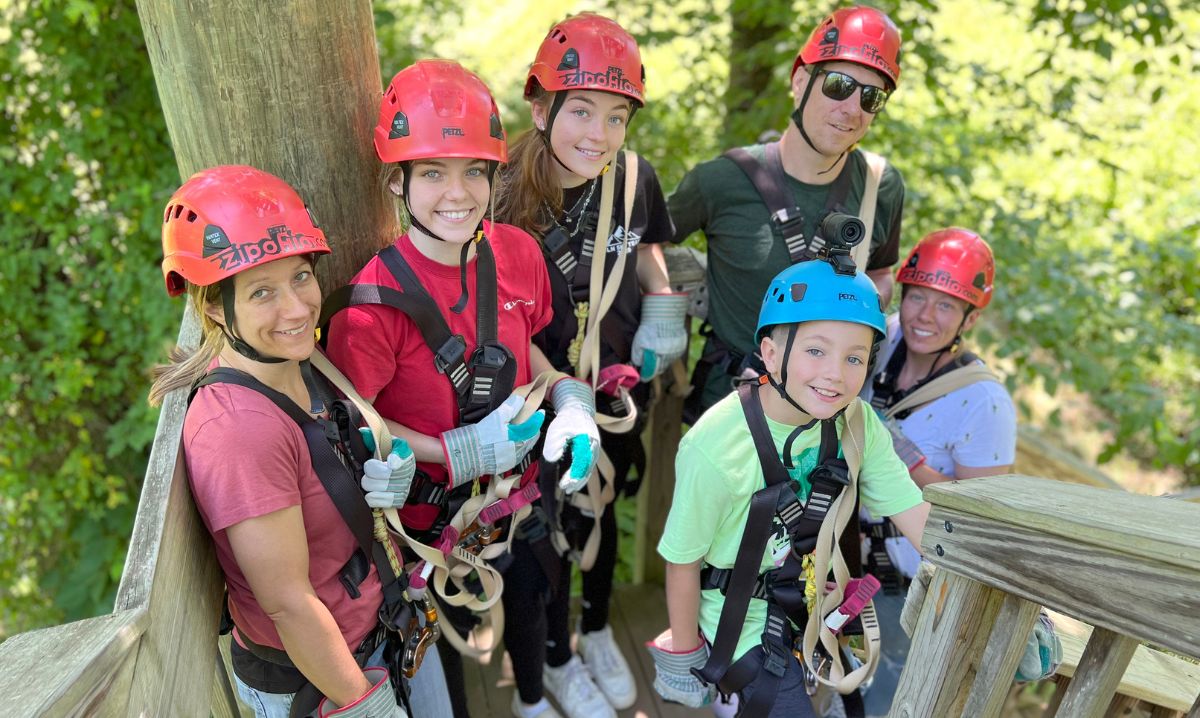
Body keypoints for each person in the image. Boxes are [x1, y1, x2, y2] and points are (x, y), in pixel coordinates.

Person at [324, 60, 601, 718]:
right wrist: (457, 452)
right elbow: (359, 428)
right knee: (441, 648)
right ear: (399, 181)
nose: (458, 192)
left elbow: (522, 345)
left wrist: (567, 396)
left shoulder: (516, 254)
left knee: (534, 593)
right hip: (429, 522)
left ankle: (535, 701)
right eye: (433, 173)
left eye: (475, 170)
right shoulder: (370, 309)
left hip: (517, 490)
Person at [148, 165, 425, 718]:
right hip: (322, 681)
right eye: (262, 292)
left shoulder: (299, 361)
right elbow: (288, 604)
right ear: (212, 307)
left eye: (301, 276)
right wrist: (364, 707)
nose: (297, 309)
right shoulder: (239, 431)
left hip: (368, 640)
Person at [493, 12, 684, 718]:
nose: (597, 135)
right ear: (540, 107)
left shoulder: (633, 178)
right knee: (540, 537)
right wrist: (561, 392)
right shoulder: (501, 193)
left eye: (615, 117)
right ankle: (554, 657)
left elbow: (646, 249)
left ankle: (599, 627)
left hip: (618, 388)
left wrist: (662, 303)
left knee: (604, 513)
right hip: (542, 396)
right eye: (580, 111)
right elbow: (499, 314)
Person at [651, 253, 930, 717]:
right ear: (771, 353)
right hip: (739, 625)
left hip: (817, 612)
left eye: (854, 357)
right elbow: (683, 561)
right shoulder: (716, 447)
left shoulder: (857, 425)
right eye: (815, 350)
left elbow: (915, 515)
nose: (836, 374)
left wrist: (986, 578)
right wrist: (685, 654)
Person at [671, 6, 908, 419]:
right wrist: (660, 304)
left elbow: (883, 274)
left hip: (824, 420)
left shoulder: (879, 186)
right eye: (838, 85)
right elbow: (643, 241)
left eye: (871, 97)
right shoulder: (721, 181)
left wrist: (855, 305)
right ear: (800, 81)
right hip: (727, 412)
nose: (852, 108)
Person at [862, 228, 1014, 590]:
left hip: (906, 583)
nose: (925, 316)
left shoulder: (985, 404)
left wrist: (912, 465)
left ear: (970, 319)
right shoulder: (882, 338)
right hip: (836, 550)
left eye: (945, 305)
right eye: (917, 298)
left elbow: (982, 518)